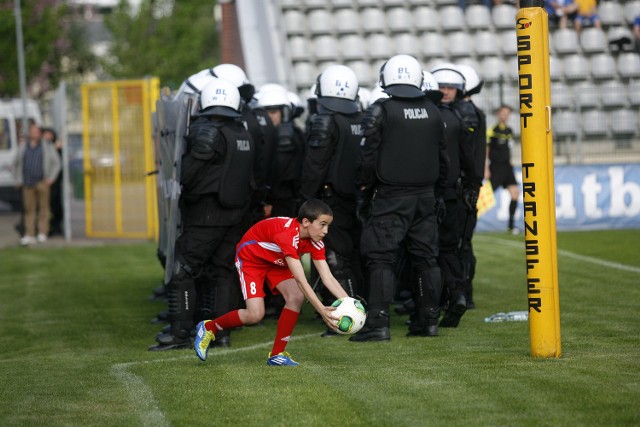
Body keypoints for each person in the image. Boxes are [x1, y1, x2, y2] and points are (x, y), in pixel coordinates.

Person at [150, 78, 256, 351]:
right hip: (234, 214)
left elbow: (187, 172)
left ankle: (181, 332)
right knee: (222, 272)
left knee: (182, 268)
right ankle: (219, 333)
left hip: (206, 215)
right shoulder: (241, 132)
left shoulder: (208, 132)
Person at [350, 54, 449, 341]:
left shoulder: (381, 110)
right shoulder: (433, 111)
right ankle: (428, 321)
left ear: (386, 78)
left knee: (380, 258)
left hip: (391, 195)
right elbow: (444, 159)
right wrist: (439, 193)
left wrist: (363, 190)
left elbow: (367, 159)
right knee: (426, 258)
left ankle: (378, 324)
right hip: (425, 196)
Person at [194, 199, 349, 366]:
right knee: (255, 315)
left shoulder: (316, 241)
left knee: (295, 297)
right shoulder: (288, 236)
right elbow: (300, 279)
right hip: (251, 258)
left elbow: (327, 277)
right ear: (305, 222)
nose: (326, 231)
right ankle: (209, 328)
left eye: (328, 226)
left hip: (277, 259)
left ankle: (277, 355)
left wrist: (350, 303)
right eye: (322, 224)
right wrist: (321, 309)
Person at [299, 65, 365, 337]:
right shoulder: (359, 119)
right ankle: (339, 309)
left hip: (329, 200)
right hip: (354, 198)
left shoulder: (324, 122)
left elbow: (315, 166)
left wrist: (305, 199)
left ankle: (347, 316)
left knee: (335, 260)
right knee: (349, 256)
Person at [427, 67, 477, 328]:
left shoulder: (429, 116)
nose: (446, 90)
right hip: (453, 193)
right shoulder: (458, 117)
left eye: (451, 86)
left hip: (434, 193)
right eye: (442, 86)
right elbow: (469, 159)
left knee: (428, 253)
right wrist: (471, 185)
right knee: (449, 251)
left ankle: (431, 305)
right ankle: (457, 294)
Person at [12, 121, 61, 245]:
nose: (34, 133)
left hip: (42, 182)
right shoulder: (23, 146)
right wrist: (18, 179)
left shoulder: (47, 146)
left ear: (40, 133)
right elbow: (16, 163)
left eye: (37, 131)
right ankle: (30, 234)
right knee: (29, 210)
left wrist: (50, 178)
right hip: (27, 183)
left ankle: (42, 233)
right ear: (29, 133)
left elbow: (56, 163)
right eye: (32, 131)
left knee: (44, 209)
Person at [486, 104, 520, 235]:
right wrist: (486, 168)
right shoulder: (492, 130)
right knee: (485, 196)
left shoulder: (509, 131)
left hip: (507, 167)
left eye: (507, 113)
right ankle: (467, 221)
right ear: (498, 114)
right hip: (496, 167)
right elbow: (486, 149)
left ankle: (511, 226)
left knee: (515, 193)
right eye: (503, 113)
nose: (505, 115)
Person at [42, 128, 63, 237]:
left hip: (55, 182)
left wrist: (59, 149)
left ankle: (57, 226)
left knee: (56, 206)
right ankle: (48, 228)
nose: (47, 137)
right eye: (45, 134)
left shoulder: (56, 147)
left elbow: (59, 164)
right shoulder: (44, 147)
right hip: (44, 181)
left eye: (49, 134)